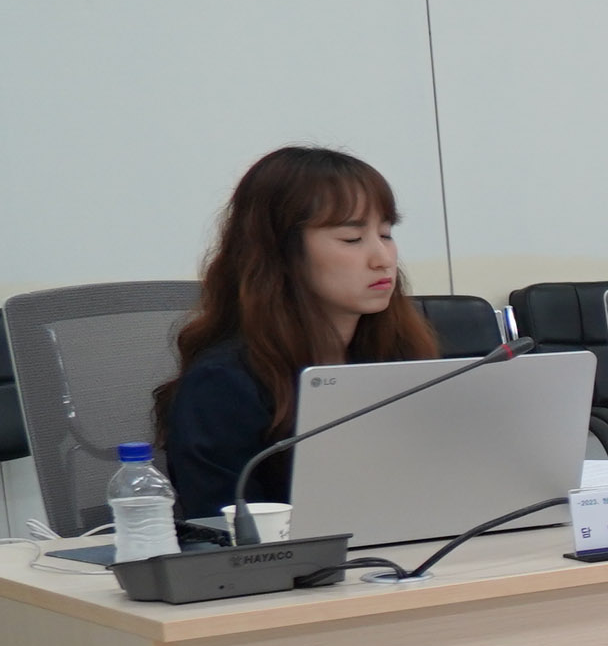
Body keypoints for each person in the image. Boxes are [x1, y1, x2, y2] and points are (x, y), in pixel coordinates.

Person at [154, 147, 442, 519]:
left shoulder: (398, 357)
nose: (383, 259)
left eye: (385, 234)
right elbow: (230, 534)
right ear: (280, 253)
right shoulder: (223, 385)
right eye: (352, 238)